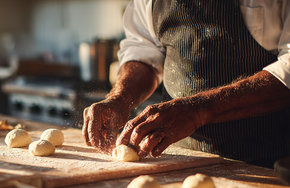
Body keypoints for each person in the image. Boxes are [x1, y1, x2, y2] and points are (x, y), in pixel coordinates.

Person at [82, 0, 290, 168]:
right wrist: (121, 98)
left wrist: (197, 110)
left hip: (266, 162)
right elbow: (143, 51)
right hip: (178, 160)